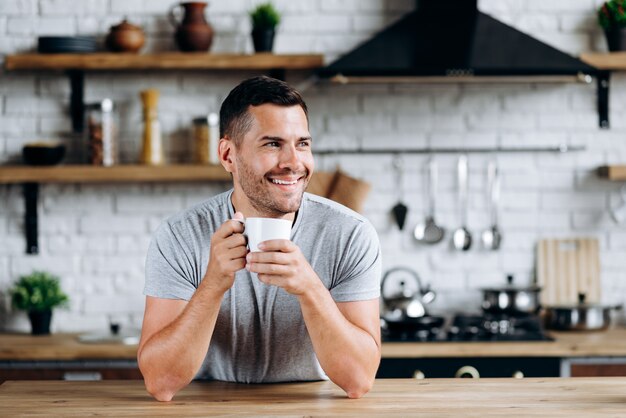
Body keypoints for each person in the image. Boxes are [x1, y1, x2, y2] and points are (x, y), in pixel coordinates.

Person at [138, 76, 382, 402]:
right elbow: (160, 382)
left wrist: (309, 287)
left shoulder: (351, 234)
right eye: (272, 144)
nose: (294, 162)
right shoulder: (180, 236)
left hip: (312, 406)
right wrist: (213, 284)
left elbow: (358, 380)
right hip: (212, 408)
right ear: (228, 155)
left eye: (303, 144)